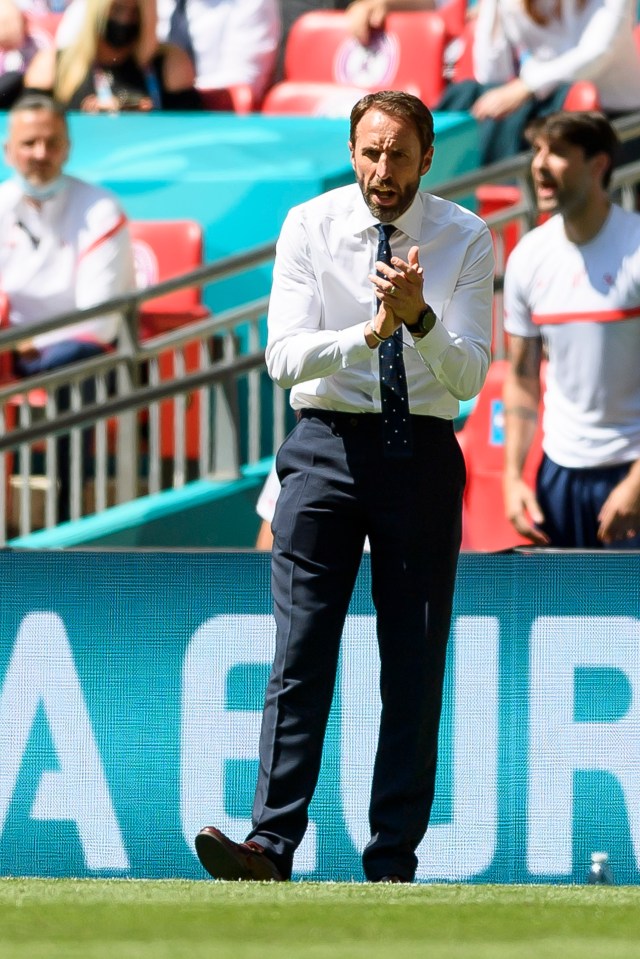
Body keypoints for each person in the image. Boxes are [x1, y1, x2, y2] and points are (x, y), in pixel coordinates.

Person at [194, 89, 494, 883]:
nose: (382, 169)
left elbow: (466, 373)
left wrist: (419, 318)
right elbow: (282, 358)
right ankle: (270, 843)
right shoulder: (310, 224)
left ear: (428, 157)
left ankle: (392, 858)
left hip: (421, 452)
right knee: (299, 654)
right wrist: (368, 329)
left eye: (399, 154)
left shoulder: (466, 235)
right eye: (370, 151)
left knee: (414, 661)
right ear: (352, 149)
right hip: (324, 446)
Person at [502, 110, 640, 549]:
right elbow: (522, 381)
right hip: (558, 478)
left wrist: (637, 484)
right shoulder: (528, 257)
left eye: (558, 152)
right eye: (537, 150)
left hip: (630, 469)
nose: (539, 163)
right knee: (568, 618)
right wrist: (512, 477)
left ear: (598, 165)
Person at [0, 93, 135, 519]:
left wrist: (26, 347)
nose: (40, 154)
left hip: (77, 354)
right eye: (28, 143)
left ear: (67, 147)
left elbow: (97, 322)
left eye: (51, 143)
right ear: (8, 150)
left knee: (74, 366)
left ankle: (67, 511)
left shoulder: (100, 209)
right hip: (9, 350)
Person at [436, 0, 640, 167]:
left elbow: (596, 54)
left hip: (616, 119)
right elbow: (492, 74)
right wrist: (493, 6)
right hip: (551, 116)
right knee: (470, 99)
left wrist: (526, 86)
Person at [55, 0, 281, 104]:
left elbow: (243, 78)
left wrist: (171, 88)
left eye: (132, 12)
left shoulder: (249, 4)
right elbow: (72, 46)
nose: (126, 19)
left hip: (205, 117)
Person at [24, 0, 201, 111]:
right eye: (117, 9)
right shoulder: (52, 65)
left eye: (135, 12)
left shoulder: (169, 64)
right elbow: (29, 129)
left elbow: (192, 131)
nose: (125, 20)